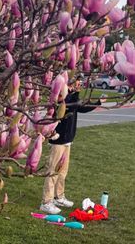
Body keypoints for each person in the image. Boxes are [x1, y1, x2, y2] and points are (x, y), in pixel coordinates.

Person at [40, 76, 104, 215]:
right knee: (52, 171)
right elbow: (68, 104)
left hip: (67, 140)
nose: (79, 85)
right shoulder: (61, 96)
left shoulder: (72, 97)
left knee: (62, 171)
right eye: (77, 82)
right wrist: (74, 92)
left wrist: (98, 102)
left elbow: (80, 107)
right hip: (58, 140)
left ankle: (59, 196)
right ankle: (46, 202)